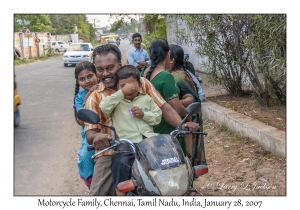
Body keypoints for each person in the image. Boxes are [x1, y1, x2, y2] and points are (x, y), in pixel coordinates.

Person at [83, 44, 200, 196]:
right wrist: (97, 136)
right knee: (97, 196)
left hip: (148, 146)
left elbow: (164, 107)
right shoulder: (95, 97)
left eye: (110, 67)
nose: (106, 73)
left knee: (178, 180)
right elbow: (90, 133)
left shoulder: (141, 84)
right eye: (100, 69)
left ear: (120, 64)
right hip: (112, 151)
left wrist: (183, 125)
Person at [100, 65, 162, 196]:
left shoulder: (146, 99)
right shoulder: (115, 102)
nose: (127, 88)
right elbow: (104, 107)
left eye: (131, 84)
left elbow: (157, 117)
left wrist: (144, 115)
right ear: (118, 87)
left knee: (165, 159)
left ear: (139, 84)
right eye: (122, 85)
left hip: (148, 141)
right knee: (120, 162)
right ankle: (121, 196)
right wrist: (122, 92)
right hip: (127, 144)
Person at [142, 38, 189, 156]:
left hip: (152, 127)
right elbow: (176, 108)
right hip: (169, 128)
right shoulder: (166, 76)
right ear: (168, 54)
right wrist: (189, 113)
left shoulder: (146, 72)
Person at [167, 44, 207, 166]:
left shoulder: (178, 76)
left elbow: (191, 99)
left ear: (172, 60)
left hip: (188, 119)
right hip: (187, 118)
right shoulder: (181, 73)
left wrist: (176, 103)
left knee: (187, 152)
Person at [73, 61, 99, 189]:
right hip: (90, 135)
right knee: (85, 158)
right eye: (82, 79)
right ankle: (93, 187)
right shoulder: (79, 97)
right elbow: (82, 121)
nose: (87, 81)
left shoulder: (104, 88)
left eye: (90, 76)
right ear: (78, 82)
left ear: (96, 74)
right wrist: (88, 96)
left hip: (109, 130)